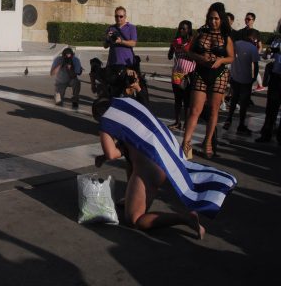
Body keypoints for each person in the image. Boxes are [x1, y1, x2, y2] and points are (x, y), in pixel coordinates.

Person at [95, 97, 237, 238]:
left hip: (149, 169)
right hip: (165, 154)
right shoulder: (126, 103)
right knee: (129, 155)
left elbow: (112, 154)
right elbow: (131, 143)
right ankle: (130, 197)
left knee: (135, 220)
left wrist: (104, 144)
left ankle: (186, 218)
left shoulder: (106, 120)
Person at [182, 2, 234, 159]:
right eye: (211, 18)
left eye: (217, 19)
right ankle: (186, 143)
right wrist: (200, 57)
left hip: (219, 75)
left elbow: (231, 57)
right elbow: (188, 52)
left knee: (213, 111)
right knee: (194, 110)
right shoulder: (200, 33)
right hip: (201, 73)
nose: (213, 21)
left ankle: (208, 142)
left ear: (222, 19)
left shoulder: (226, 37)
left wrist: (220, 61)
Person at [223, 29, 259, 135]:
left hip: (235, 77)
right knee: (243, 103)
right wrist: (254, 78)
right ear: (253, 38)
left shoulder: (236, 44)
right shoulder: (253, 48)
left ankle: (229, 119)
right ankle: (241, 124)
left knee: (234, 100)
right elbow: (255, 65)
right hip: (246, 79)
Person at [167, 20, 196, 130]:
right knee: (177, 100)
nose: (181, 30)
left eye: (184, 28)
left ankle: (186, 123)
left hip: (188, 74)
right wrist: (172, 47)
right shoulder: (177, 41)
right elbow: (170, 56)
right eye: (180, 28)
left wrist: (185, 49)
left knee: (187, 101)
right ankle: (177, 122)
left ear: (189, 30)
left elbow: (195, 56)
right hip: (177, 74)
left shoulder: (192, 42)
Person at [256, 21, 281, 143]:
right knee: (271, 107)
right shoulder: (276, 40)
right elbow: (267, 57)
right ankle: (266, 133)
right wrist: (268, 53)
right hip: (276, 78)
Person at [239, 12, 264, 91]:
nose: (247, 20)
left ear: (253, 20)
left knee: (252, 75)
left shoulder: (256, 32)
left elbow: (260, 46)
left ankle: (259, 86)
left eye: (249, 19)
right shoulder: (241, 32)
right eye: (246, 19)